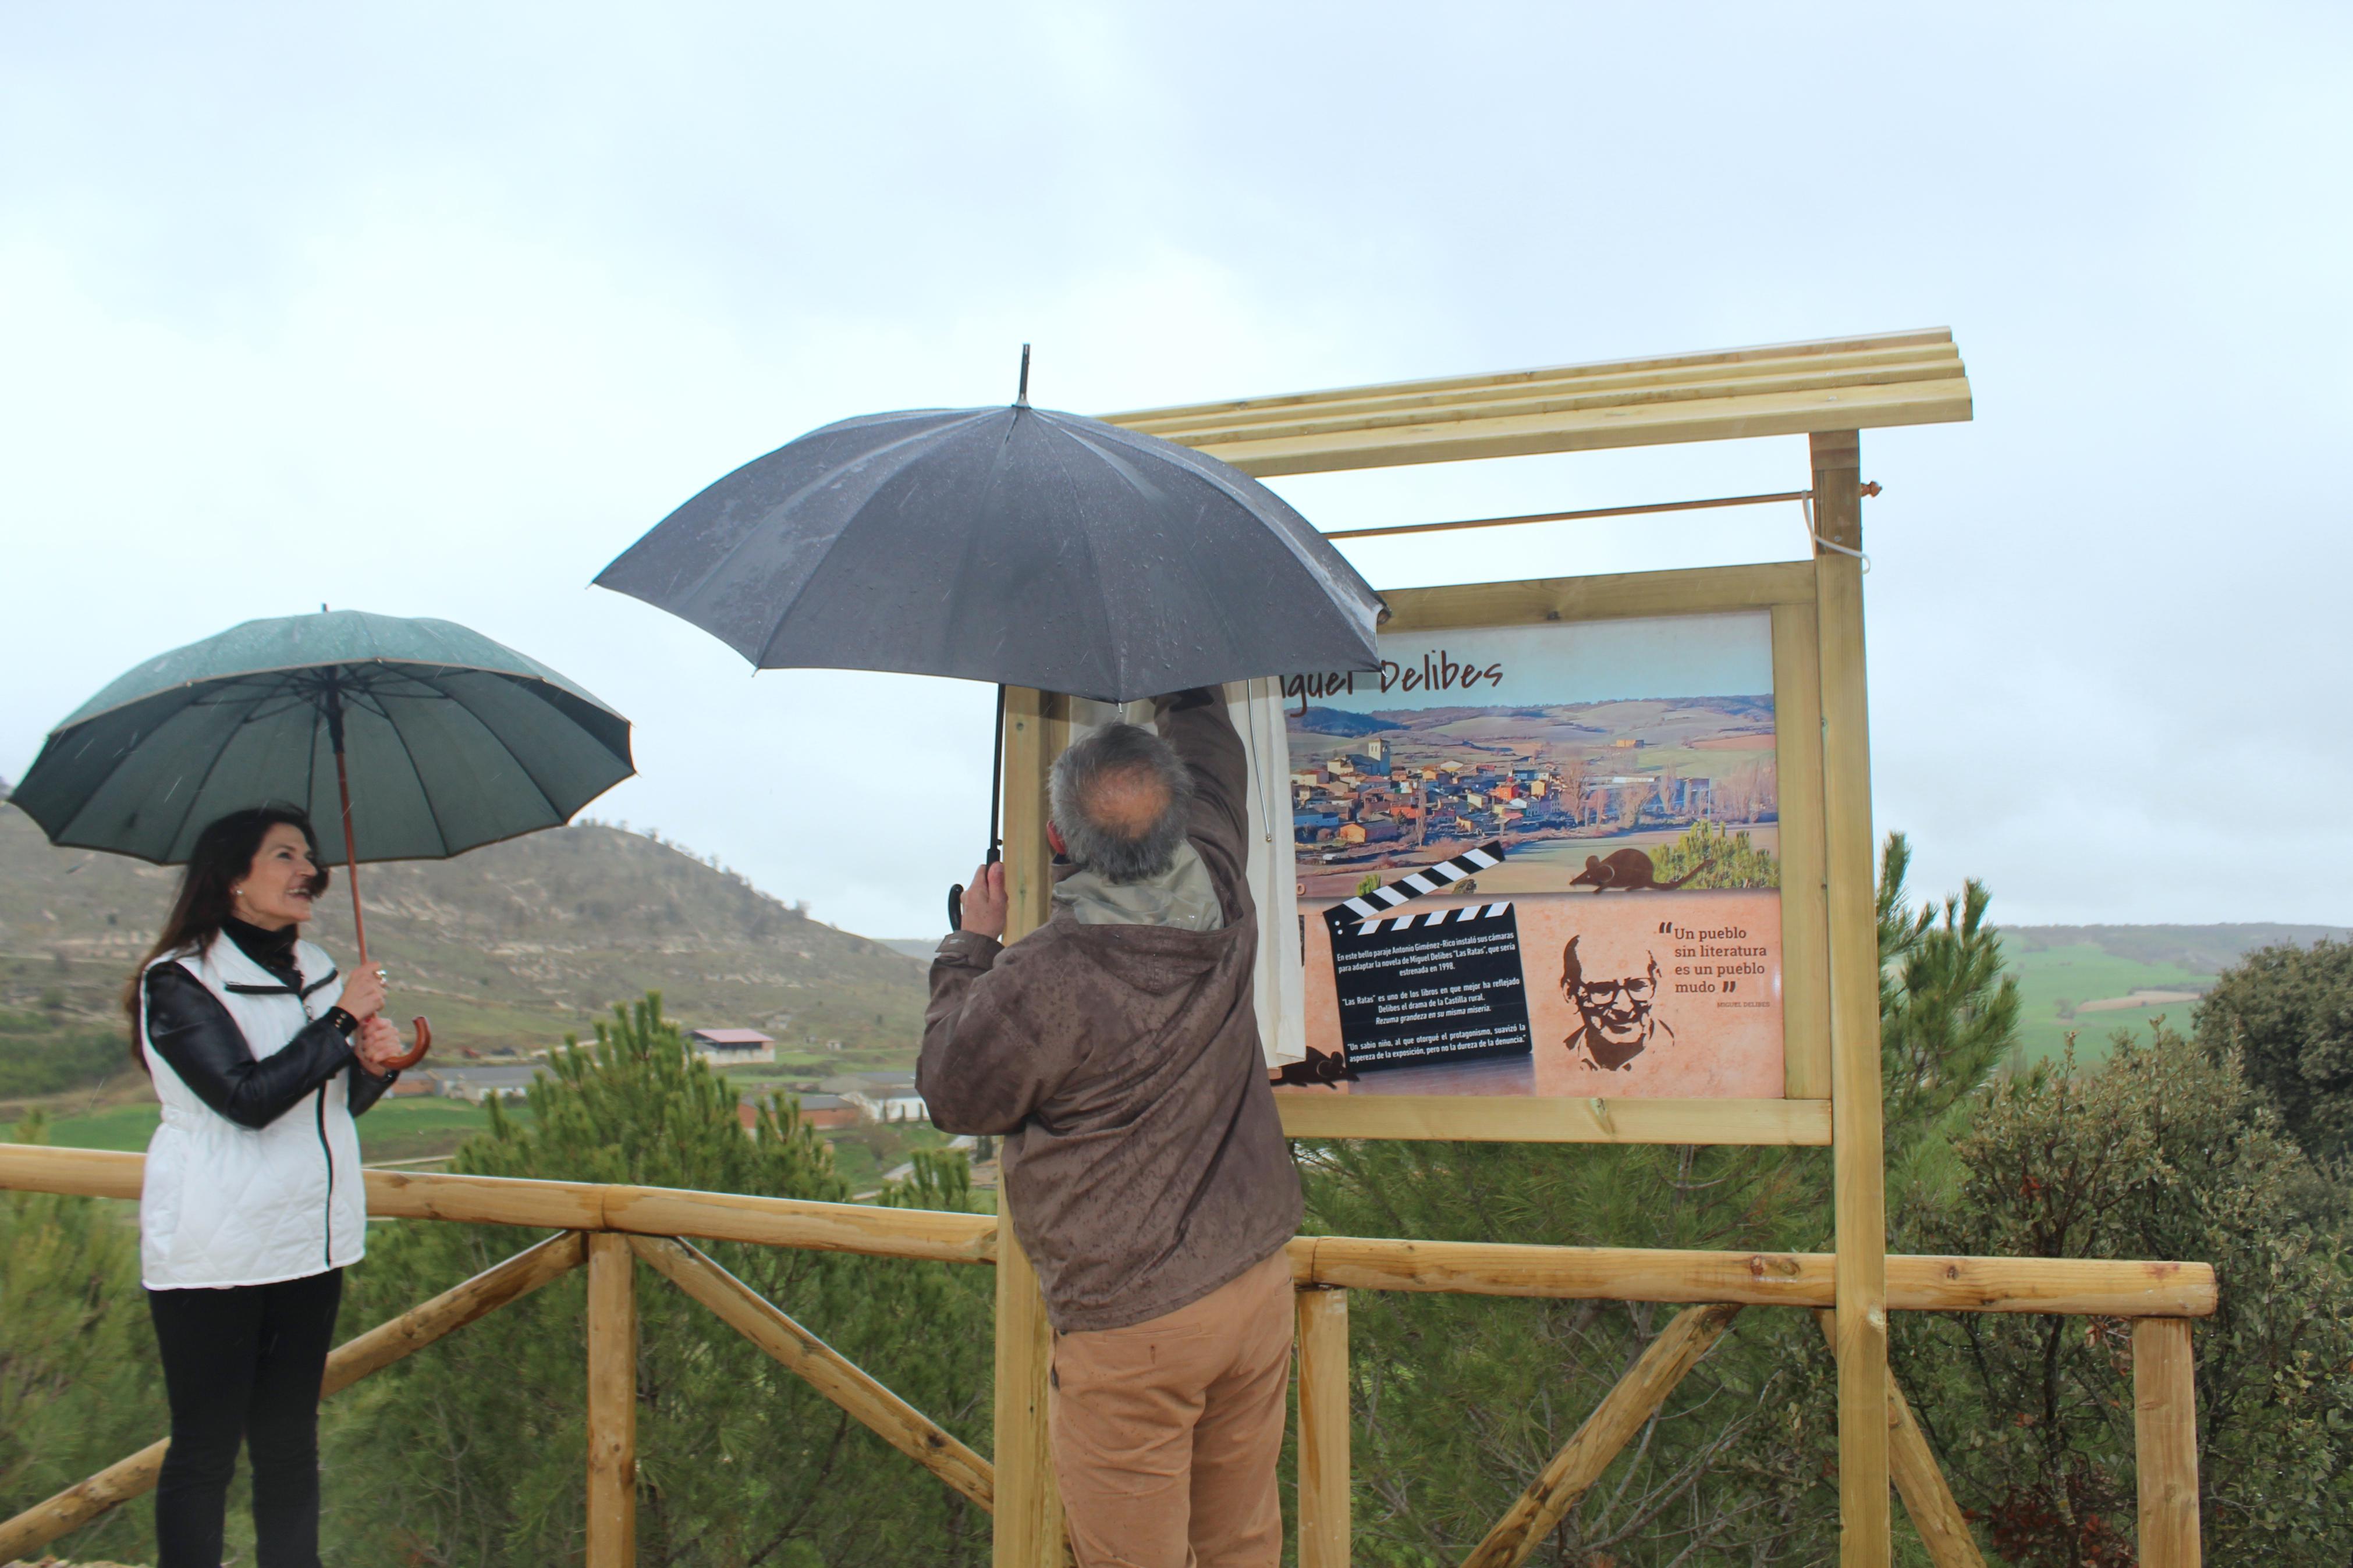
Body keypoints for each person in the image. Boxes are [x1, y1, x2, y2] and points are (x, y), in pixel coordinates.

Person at [921, 689, 1302, 1568]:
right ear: (1181, 814)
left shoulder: (1043, 977)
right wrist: (1187, 682)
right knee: (1241, 1543)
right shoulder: (1221, 874)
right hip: (1252, 1286)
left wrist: (969, 948)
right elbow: (1214, 757)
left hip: (1134, 1324)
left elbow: (954, 1093)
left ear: (1059, 843)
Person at [122, 805, 410, 1568]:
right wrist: (344, 1019)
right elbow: (247, 1100)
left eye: (309, 857)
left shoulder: (315, 968)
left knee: (288, 1443)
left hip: (308, 1243)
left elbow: (326, 1107)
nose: (307, 872)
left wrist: (372, 1069)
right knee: (207, 1450)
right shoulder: (179, 981)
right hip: (217, 1248)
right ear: (232, 879)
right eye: (284, 855)